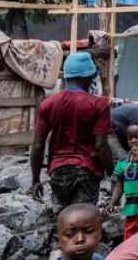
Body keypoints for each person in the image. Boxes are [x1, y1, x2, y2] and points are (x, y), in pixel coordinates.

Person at [30, 52, 113, 207]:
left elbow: (38, 145)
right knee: (83, 222)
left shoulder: (48, 104)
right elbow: (101, 145)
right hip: (87, 169)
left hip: (57, 171)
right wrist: (112, 172)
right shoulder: (99, 105)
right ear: (90, 77)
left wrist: (35, 180)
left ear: (66, 77)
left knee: (64, 225)